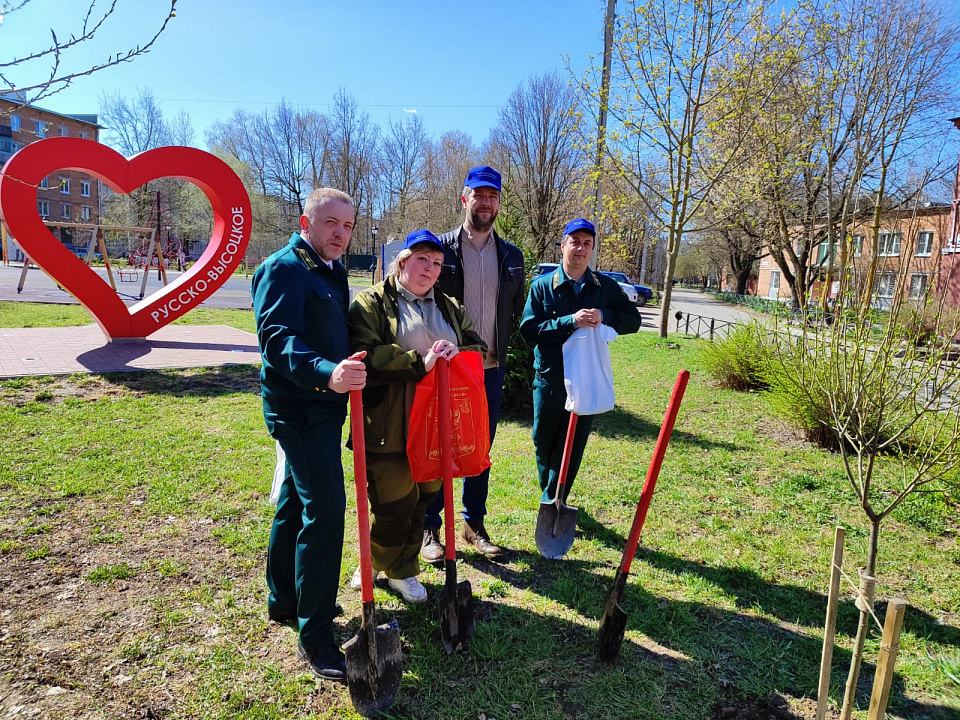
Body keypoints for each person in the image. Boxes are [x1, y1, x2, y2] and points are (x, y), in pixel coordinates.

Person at [252, 187, 367, 682]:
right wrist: (326, 372)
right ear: (306, 221)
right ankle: (317, 637)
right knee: (325, 509)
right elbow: (277, 341)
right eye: (330, 224)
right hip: (299, 410)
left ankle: (285, 601)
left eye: (347, 226)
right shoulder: (285, 268)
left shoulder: (331, 268)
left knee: (296, 504)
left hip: (324, 406)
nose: (340, 234)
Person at [348, 229, 486, 602]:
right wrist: (417, 362)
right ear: (403, 261)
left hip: (436, 424)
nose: (430, 268)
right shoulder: (371, 302)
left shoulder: (449, 306)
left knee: (421, 503)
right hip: (390, 423)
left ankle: (401, 570)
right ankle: (374, 564)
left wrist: (458, 353)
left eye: (437, 263)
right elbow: (364, 352)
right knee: (393, 505)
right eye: (422, 259)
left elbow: (477, 346)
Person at [421, 165, 525, 561]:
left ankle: (473, 524)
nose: (485, 202)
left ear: (498, 203)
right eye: (478, 194)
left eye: (492, 196)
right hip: (446, 369)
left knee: (481, 446)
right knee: (440, 444)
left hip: (490, 369)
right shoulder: (440, 250)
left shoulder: (511, 256)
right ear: (464, 198)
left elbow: (512, 309)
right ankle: (430, 527)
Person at [520, 218, 642, 504]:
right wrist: (569, 321)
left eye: (587, 244)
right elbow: (528, 331)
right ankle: (550, 490)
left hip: (585, 379)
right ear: (562, 246)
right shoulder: (542, 287)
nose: (581, 248)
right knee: (543, 440)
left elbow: (633, 321)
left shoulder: (606, 288)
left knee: (572, 445)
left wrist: (604, 315)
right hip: (550, 378)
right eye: (575, 242)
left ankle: (556, 499)